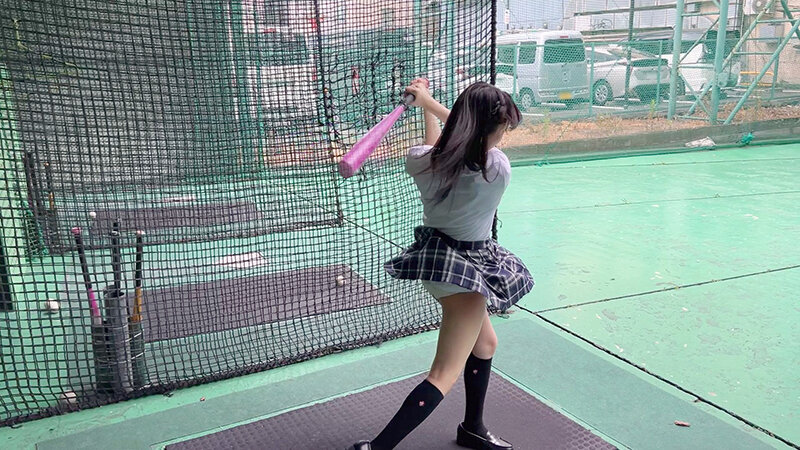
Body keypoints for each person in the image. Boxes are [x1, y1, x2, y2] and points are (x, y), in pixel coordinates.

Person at [351, 80, 534, 450]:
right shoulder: (496, 169)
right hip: (467, 275)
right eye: (502, 126)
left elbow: (445, 148)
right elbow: (464, 144)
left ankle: (473, 428)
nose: (504, 133)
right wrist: (431, 104)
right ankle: (377, 448)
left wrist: (426, 106)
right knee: (444, 373)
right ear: (488, 129)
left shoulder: (421, 161)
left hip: (438, 263)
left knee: (485, 343)